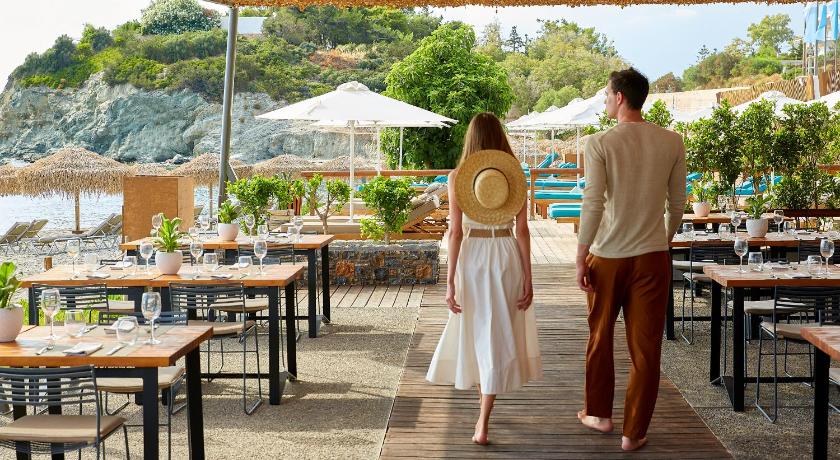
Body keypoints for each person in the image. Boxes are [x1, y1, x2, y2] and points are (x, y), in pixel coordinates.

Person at [575, 68, 686, 451]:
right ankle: (633, 433)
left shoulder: (599, 143)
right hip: (652, 259)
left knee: (599, 337)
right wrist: (661, 241)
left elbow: (592, 203)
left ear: (620, 97)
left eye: (607, 95)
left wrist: (580, 256)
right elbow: (677, 204)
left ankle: (599, 415)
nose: (606, 100)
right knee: (646, 349)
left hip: (607, 257)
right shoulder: (672, 141)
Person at [426, 112, 543, 445]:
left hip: (472, 257)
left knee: (479, 331)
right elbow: (523, 231)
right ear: (500, 137)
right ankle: (483, 415)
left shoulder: (458, 176)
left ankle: (482, 418)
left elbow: (454, 233)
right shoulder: (514, 175)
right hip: (505, 254)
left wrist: (449, 280)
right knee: (497, 332)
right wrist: (529, 277)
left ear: (471, 138)